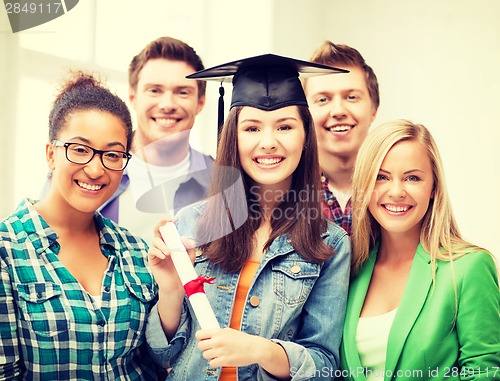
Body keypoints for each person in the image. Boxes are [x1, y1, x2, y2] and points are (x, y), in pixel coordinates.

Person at [146, 54, 352, 380]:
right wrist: (171, 289)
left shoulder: (330, 244)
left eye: (285, 127)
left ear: (305, 137)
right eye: (252, 128)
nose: (268, 143)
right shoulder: (190, 225)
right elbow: (161, 356)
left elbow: (325, 366)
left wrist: (261, 350)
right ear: (233, 137)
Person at [0, 71, 158, 380]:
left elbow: (156, 359)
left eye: (112, 154)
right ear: (51, 154)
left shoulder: (135, 250)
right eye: (80, 149)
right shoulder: (7, 250)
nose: (96, 169)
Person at [339, 120, 499, 380]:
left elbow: (485, 373)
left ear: (434, 187)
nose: (396, 192)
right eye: (381, 177)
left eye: (412, 178)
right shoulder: (349, 267)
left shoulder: (470, 267)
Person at [99, 36, 214, 243]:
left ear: (200, 103)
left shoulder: (223, 182)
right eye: (154, 90)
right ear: (133, 97)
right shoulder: (90, 171)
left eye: (182, 92)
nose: (167, 104)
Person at [303, 41, 380, 235]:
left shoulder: (397, 189)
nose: (338, 111)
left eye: (351, 97)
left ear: (373, 108)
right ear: (303, 113)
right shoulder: (283, 193)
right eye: (323, 99)